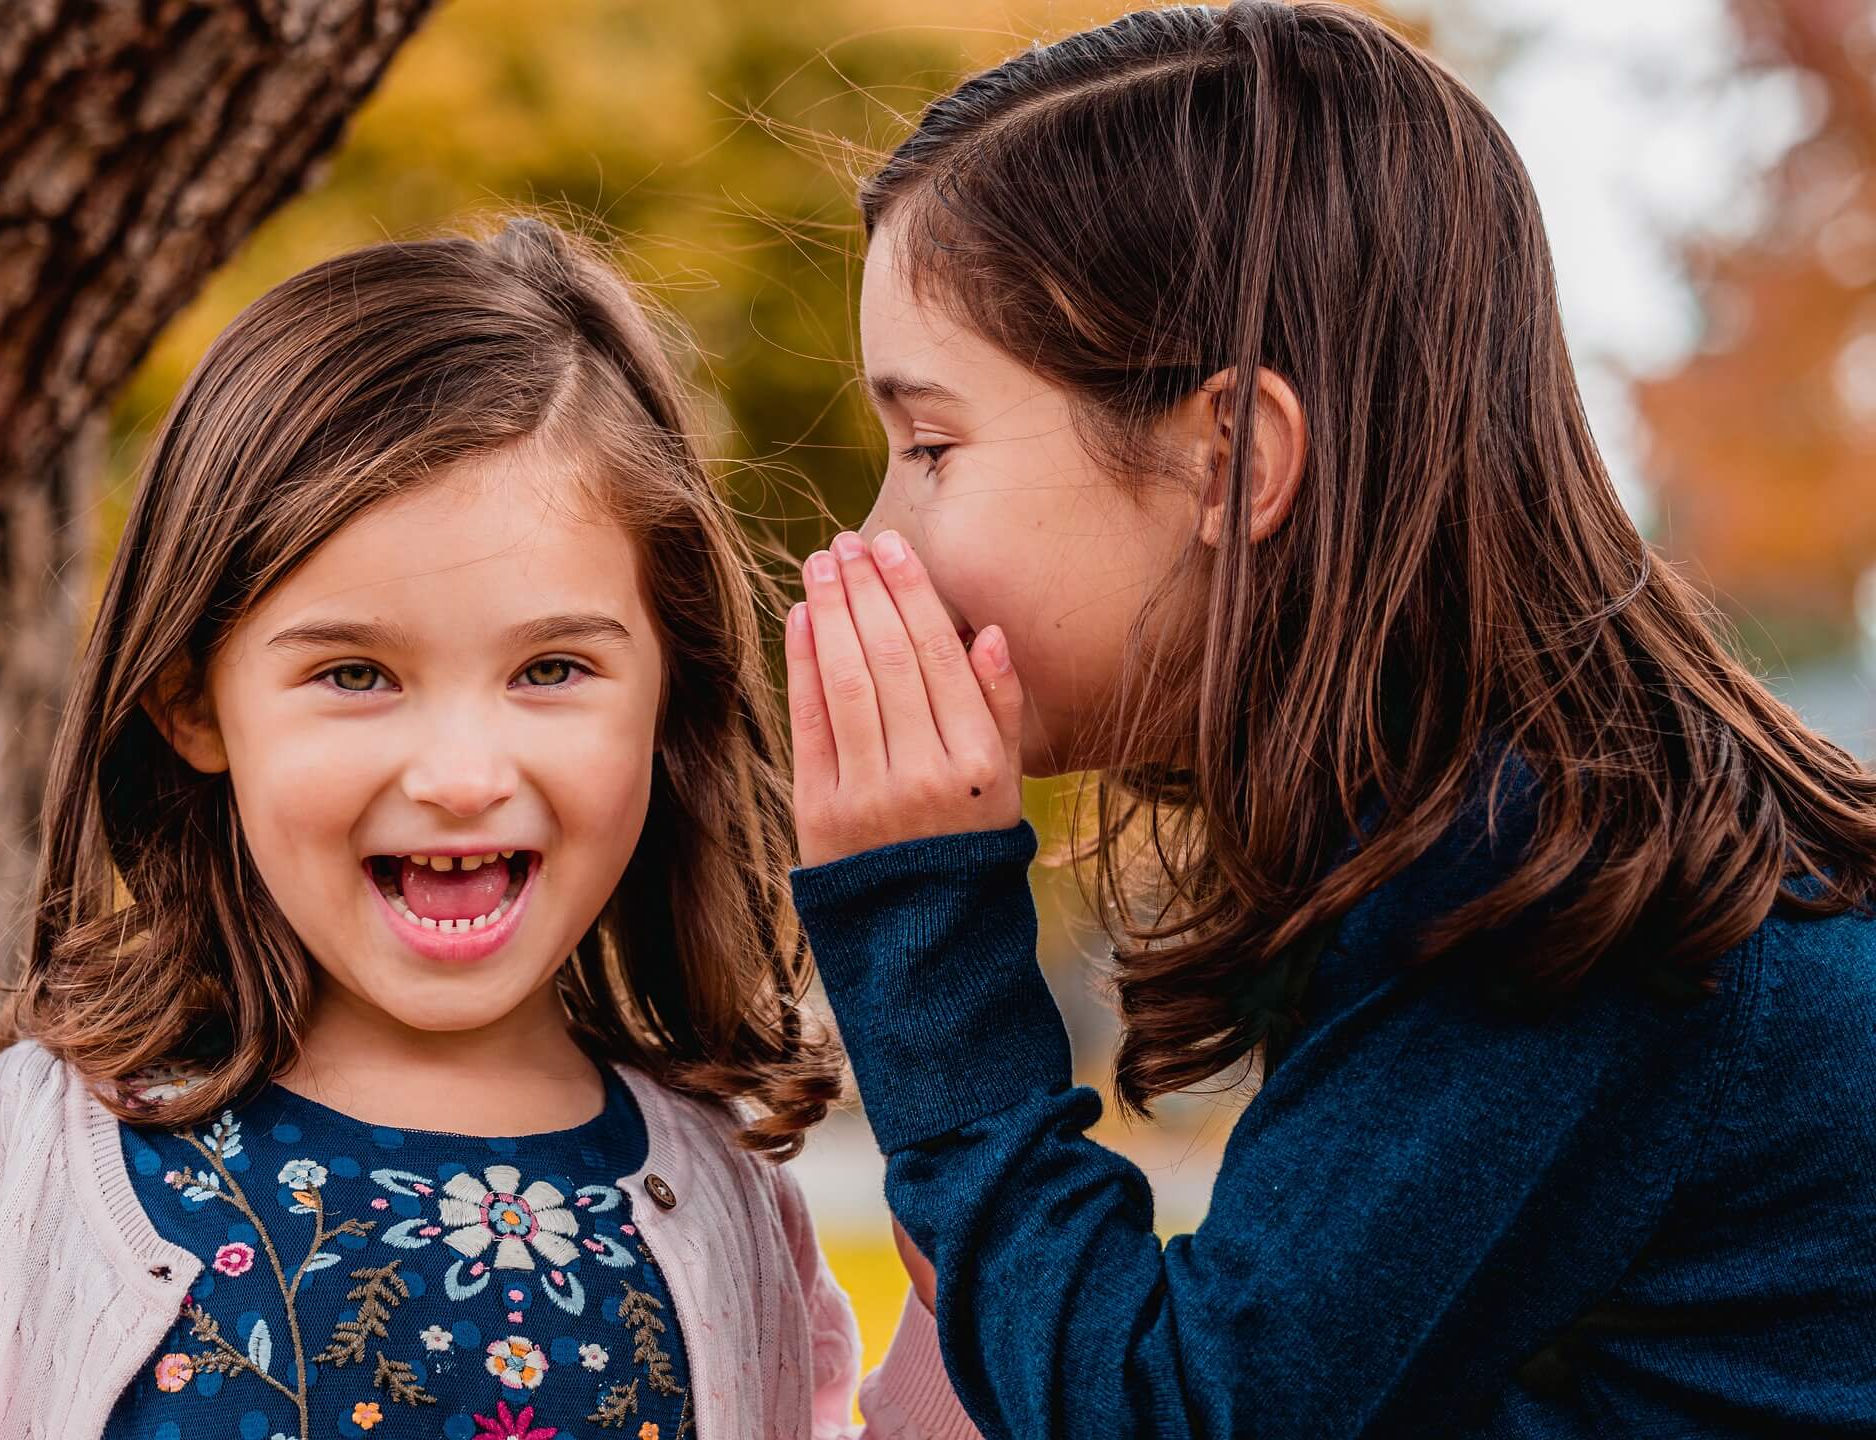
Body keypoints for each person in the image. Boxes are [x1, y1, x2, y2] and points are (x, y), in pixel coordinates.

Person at [781, 3, 1876, 1435]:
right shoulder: (1545, 821)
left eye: (930, 446)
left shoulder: (1543, 891)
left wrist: (920, 929)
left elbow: (1177, 1416)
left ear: (1234, 462)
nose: (876, 541)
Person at [0, 219, 980, 1440]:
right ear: (192, 701)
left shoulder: (726, 1206)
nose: (457, 776)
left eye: (550, 669)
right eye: (353, 674)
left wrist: (962, 1286)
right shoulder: (27, 1159)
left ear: (671, 695)